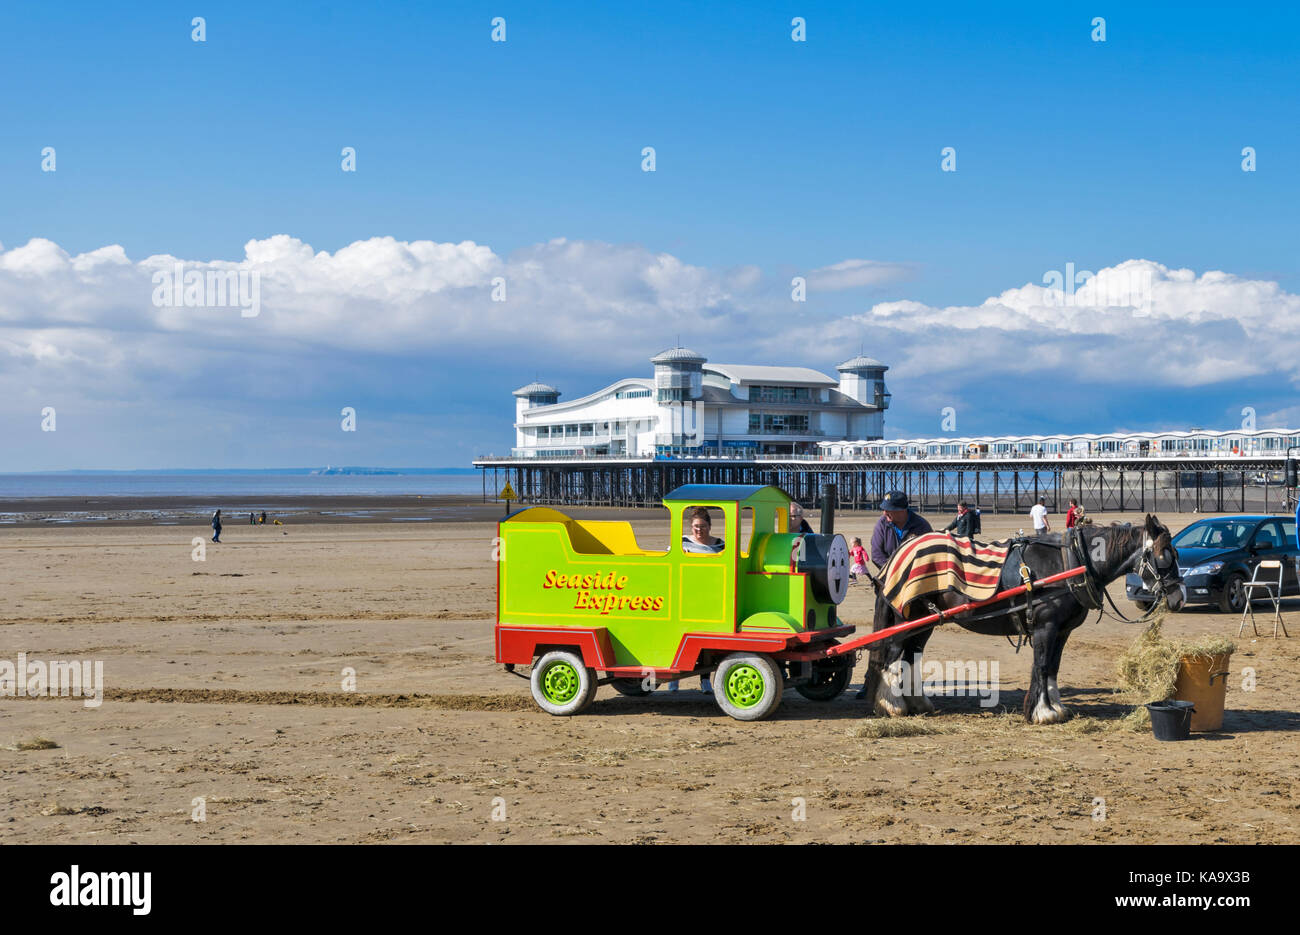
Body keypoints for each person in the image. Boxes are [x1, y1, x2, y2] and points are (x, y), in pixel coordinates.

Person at [869, 491, 933, 568]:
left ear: (902, 510)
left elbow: (930, 555)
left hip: (916, 575)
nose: (884, 513)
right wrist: (893, 571)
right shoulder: (882, 524)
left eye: (888, 509)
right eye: (884, 509)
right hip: (890, 574)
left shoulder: (921, 526)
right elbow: (876, 555)